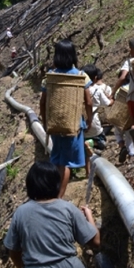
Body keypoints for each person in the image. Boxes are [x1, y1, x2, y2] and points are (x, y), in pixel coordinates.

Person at [40, 39, 93, 197]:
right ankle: (59, 197)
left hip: (55, 123)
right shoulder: (81, 76)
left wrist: (45, 122)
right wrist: (89, 119)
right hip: (74, 124)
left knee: (58, 159)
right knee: (65, 163)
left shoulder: (50, 77)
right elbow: (88, 101)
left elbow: (42, 102)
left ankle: (55, 193)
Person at [81, 64, 112, 175]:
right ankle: (95, 144)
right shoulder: (97, 90)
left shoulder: (78, 91)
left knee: (85, 150)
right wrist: (111, 99)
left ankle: (88, 171)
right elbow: (108, 104)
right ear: (95, 78)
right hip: (94, 123)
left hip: (81, 124)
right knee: (102, 141)